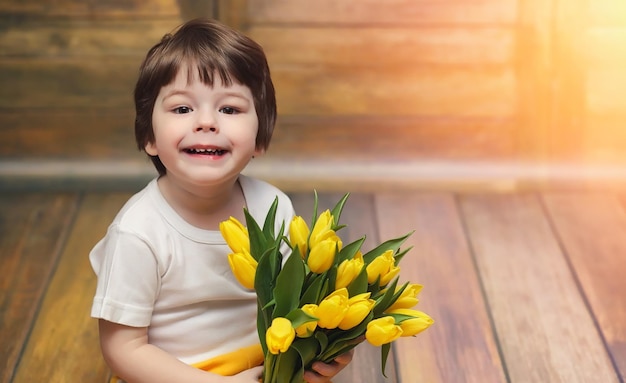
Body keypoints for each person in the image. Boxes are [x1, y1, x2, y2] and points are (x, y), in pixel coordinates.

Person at [90, 18, 352, 383]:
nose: (207, 122)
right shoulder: (138, 232)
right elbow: (124, 350)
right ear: (149, 137)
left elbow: (298, 303)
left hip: (266, 369)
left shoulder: (271, 207)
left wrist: (327, 347)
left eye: (229, 109)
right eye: (182, 109)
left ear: (260, 138)